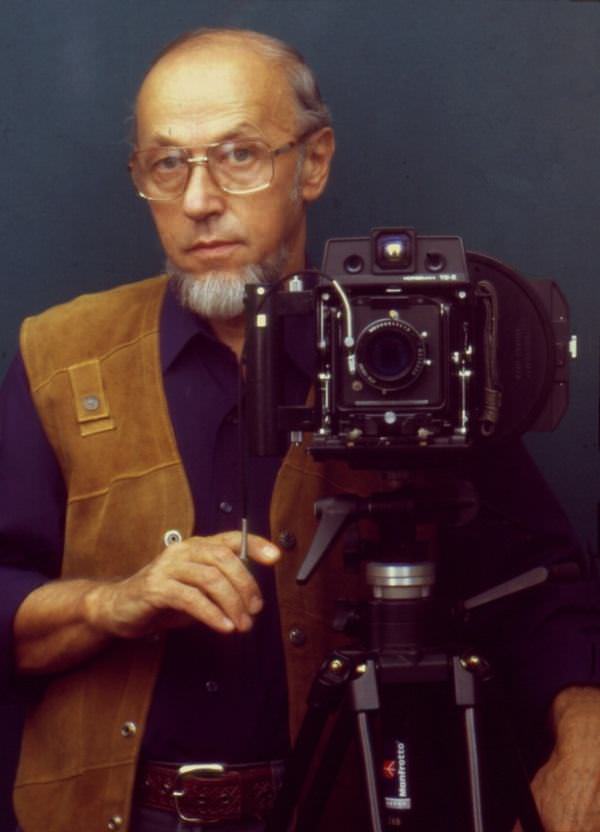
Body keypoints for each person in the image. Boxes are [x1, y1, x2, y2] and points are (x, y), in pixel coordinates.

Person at [1, 26, 600, 832]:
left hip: (351, 804)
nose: (199, 199)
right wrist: (116, 601)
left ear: (312, 163)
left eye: (240, 154)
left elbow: (541, 585)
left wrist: (584, 733)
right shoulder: (59, 353)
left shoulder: (416, 342)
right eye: (167, 163)